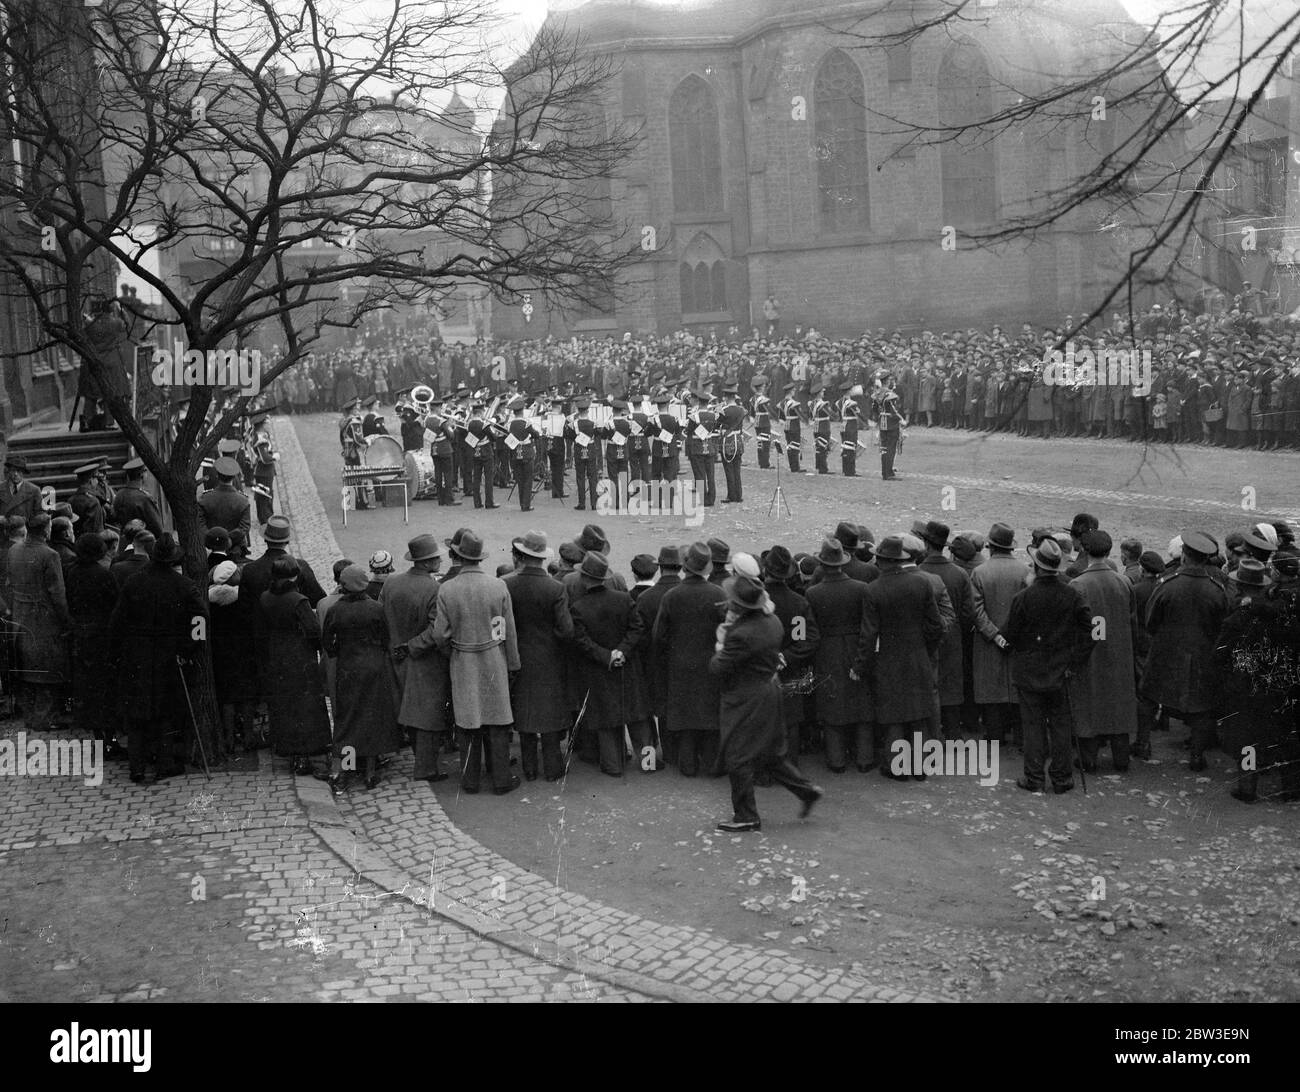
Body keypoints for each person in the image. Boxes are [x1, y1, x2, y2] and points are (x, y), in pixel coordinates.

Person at [710, 572, 822, 833]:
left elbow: (718, 667)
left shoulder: (741, 634)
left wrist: (721, 642)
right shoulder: (772, 622)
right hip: (770, 690)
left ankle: (746, 816)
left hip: (747, 699)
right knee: (772, 753)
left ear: (739, 606)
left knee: (737, 757)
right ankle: (806, 790)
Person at [109, 533, 206, 783]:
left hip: (137, 655)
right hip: (169, 655)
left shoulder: (133, 582)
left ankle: (137, 767)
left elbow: (116, 622)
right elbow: (200, 619)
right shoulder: (183, 585)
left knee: (136, 713)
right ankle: (164, 764)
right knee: (166, 712)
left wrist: (121, 650)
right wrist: (189, 648)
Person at [432, 530, 521, 795]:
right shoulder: (498, 586)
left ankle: (470, 781)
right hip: (494, 657)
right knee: (496, 719)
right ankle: (501, 780)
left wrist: (453, 652)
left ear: (458, 556)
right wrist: (512, 662)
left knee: (468, 721)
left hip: (463, 660)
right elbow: (507, 630)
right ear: (480, 558)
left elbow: (439, 634)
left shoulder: (447, 589)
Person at [1004, 538, 1095, 794]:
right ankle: (1062, 778)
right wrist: (1074, 661)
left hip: (1030, 671)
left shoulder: (1023, 597)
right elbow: (1090, 632)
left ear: (1036, 565)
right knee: (1061, 726)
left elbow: (1011, 635)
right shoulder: (1073, 595)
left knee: (1032, 726)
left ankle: (1034, 778)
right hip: (1061, 671)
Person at [852, 535, 944, 778]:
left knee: (893, 715)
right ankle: (922, 767)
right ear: (900, 560)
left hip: (889, 659)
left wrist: (861, 665)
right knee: (918, 713)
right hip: (917, 655)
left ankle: (896, 768)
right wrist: (926, 648)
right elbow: (937, 626)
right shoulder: (921, 584)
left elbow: (868, 634)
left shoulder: (873, 590)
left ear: (882, 561)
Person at [1140, 530, 1231, 772]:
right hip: (1202, 654)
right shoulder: (1216, 589)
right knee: (1202, 706)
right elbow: (1222, 625)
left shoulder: (1168, 585)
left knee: (1148, 696)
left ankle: (1142, 744)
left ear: (1184, 556)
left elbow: (1150, 621)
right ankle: (1197, 755)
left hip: (1165, 652)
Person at [569, 551, 654, 777]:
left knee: (607, 722)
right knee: (639, 720)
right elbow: (637, 628)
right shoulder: (624, 599)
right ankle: (649, 763)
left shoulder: (578, 607)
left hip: (600, 670)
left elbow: (582, 641)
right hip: (628, 667)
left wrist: (607, 656)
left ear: (585, 578)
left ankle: (613, 766)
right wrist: (621, 651)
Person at [323, 564, 404, 790]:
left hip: (348, 668)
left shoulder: (335, 610)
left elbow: (328, 644)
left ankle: (346, 770)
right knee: (373, 718)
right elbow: (386, 638)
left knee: (349, 719)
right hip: (374, 668)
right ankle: (369, 773)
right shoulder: (376, 608)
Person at [503, 531, 573, 782]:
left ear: (522, 555)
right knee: (550, 713)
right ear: (543, 557)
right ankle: (553, 767)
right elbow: (566, 630)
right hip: (549, 658)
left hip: (519, 655)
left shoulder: (507, 584)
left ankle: (529, 768)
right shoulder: (556, 587)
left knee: (525, 712)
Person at [383, 536, 452, 785]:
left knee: (409, 710)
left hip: (395, 657)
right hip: (423, 659)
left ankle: (420, 760)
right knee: (428, 715)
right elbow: (436, 630)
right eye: (436, 557)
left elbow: (382, 617)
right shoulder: (434, 589)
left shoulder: (391, 583)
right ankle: (425, 768)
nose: (440, 560)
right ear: (426, 563)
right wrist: (411, 647)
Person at [652, 541, 726, 777]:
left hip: (680, 663)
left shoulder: (672, 596)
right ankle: (712, 765)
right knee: (710, 714)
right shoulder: (719, 594)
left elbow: (658, 636)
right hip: (711, 663)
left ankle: (688, 766)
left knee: (685, 717)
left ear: (685, 567)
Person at [1069, 529, 1138, 773]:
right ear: (1109, 552)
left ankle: (1088, 759)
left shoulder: (1078, 584)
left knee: (1089, 703)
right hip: (1119, 651)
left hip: (1090, 654)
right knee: (1118, 704)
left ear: (1085, 551)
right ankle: (1121, 758)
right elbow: (1133, 620)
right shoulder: (1124, 581)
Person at [259, 556, 333, 776]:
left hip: (276, 655)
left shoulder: (265, 597)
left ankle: (291, 752)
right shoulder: (298, 600)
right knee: (307, 706)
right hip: (299, 656)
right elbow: (312, 630)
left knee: (285, 706)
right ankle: (310, 753)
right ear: (294, 576)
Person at [805, 537, 872, 772]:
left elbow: (809, 629)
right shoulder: (861, 589)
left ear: (822, 564)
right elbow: (868, 625)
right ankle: (864, 759)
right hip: (855, 646)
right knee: (862, 704)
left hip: (827, 651)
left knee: (831, 704)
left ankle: (836, 760)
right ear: (842, 563)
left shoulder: (813, 593)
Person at [7, 512, 71, 731]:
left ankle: (30, 714)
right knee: (47, 665)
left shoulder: (13, 550)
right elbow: (58, 593)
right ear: (46, 530)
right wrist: (66, 621)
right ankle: (44, 718)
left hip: (20, 615)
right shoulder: (50, 555)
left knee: (26, 663)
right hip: (44, 617)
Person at [970, 522, 1028, 748]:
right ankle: (1021, 738)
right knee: (1016, 689)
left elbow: (976, 610)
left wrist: (994, 634)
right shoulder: (1025, 571)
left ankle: (995, 737)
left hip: (988, 642)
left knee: (991, 691)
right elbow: (1026, 609)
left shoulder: (980, 572)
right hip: (1017, 641)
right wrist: (1012, 635)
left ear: (990, 546)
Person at [64, 532, 122, 758]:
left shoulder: (73, 573)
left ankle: (99, 739)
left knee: (89, 691)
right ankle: (111, 740)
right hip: (102, 636)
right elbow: (115, 605)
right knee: (106, 690)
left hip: (82, 634)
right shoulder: (103, 575)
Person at [208, 559, 260, 756]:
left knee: (227, 698)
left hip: (221, 654)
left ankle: (228, 738)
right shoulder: (245, 600)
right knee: (247, 696)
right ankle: (248, 736)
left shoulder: (210, 602)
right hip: (245, 653)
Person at [198, 457, 251, 537]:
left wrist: (211, 537)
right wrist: (228, 539)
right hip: (235, 545)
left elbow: (200, 523)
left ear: (217, 476)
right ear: (234, 477)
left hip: (212, 543)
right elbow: (244, 528)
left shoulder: (205, 498)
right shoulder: (243, 501)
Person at [1, 455, 41, 522]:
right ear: (9, 471)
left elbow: (40, 515)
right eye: (13, 470)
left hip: (25, 530)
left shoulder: (34, 490)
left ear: (23, 472)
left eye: (19, 471)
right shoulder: (1, 488)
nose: (16, 474)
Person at [69, 463, 106, 535]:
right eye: (96, 478)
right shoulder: (93, 502)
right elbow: (95, 530)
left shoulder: (71, 500)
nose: (97, 482)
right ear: (91, 480)